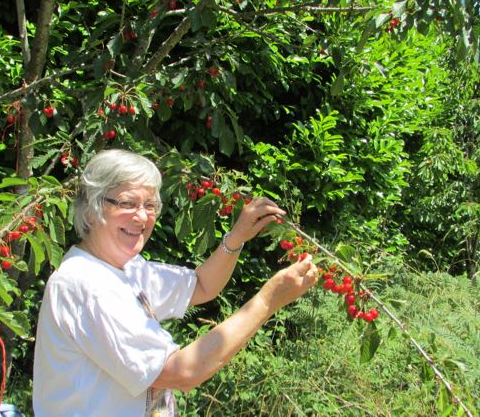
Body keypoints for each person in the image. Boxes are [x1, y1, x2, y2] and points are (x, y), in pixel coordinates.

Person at [32, 149, 318, 417]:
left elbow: (201, 285)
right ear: (93, 208)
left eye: (150, 204)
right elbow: (181, 372)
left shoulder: (128, 269)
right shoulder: (86, 285)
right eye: (128, 203)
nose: (142, 216)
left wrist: (237, 236)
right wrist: (269, 300)